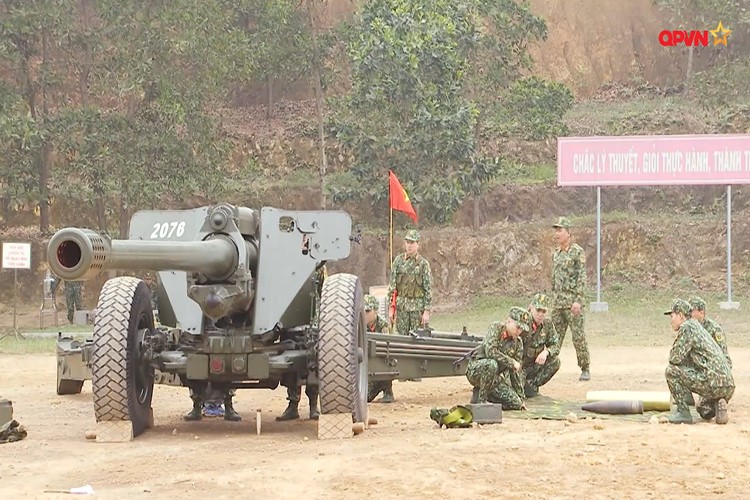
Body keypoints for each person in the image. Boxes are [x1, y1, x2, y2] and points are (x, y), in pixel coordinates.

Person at [663, 299, 734, 425]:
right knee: (704, 410)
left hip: (712, 381)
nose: (671, 320)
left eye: (672, 316)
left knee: (671, 371)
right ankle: (718, 402)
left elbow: (674, 358)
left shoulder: (687, 327)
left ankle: (683, 412)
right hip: (727, 384)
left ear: (680, 316)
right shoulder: (697, 326)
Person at [550, 216, 591, 381]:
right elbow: (554, 279)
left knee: (578, 336)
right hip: (558, 303)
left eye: (560, 230)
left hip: (572, 303)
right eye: (556, 230)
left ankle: (585, 367)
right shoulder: (556, 254)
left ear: (569, 232)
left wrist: (578, 300)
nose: (557, 234)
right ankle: (548, 368)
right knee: (553, 337)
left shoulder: (577, 252)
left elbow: (581, 277)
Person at [465, 306, 530, 409]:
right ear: (508, 321)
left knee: (516, 403)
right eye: (517, 327)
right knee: (492, 364)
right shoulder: (496, 328)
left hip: (494, 378)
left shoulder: (518, 343)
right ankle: (481, 402)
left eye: (521, 329)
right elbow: (491, 352)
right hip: (476, 371)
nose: (519, 331)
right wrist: (511, 362)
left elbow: (515, 372)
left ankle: (485, 395)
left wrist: (521, 397)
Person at [387, 229, 432, 335]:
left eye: (412, 242)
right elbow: (392, 287)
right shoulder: (398, 261)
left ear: (418, 244)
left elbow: (428, 289)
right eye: (407, 242)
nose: (409, 245)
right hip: (402, 309)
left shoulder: (423, 264)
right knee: (401, 340)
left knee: (418, 340)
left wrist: (426, 311)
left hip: (417, 310)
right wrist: (391, 308)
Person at [522, 293, 561, 398]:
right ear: (531, 308)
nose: (540, 314)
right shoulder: (522, 322)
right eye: (538, 310)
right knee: (515, 395)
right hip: (519, 366)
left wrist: (546, 352)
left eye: (543, 311)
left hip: (534, 365)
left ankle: (531, 386)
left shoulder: (547, 325)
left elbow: (555, 345)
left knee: (555, 361)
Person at [364, 294, 394, 403]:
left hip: (381, 361)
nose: (364, 314)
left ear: (376, 311)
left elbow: (387, 348)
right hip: (367, 366)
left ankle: (388, 391)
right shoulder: (360, 326)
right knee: (365, 398)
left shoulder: (383, 325)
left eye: (368, 311)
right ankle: (377, 386)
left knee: (387, 360)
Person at [688, 296, 731, 367]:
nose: (688, 314)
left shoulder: (714, 329)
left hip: (712, 366)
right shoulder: (689, 327)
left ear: (701, 313)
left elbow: (723, 355)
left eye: (691, 311)